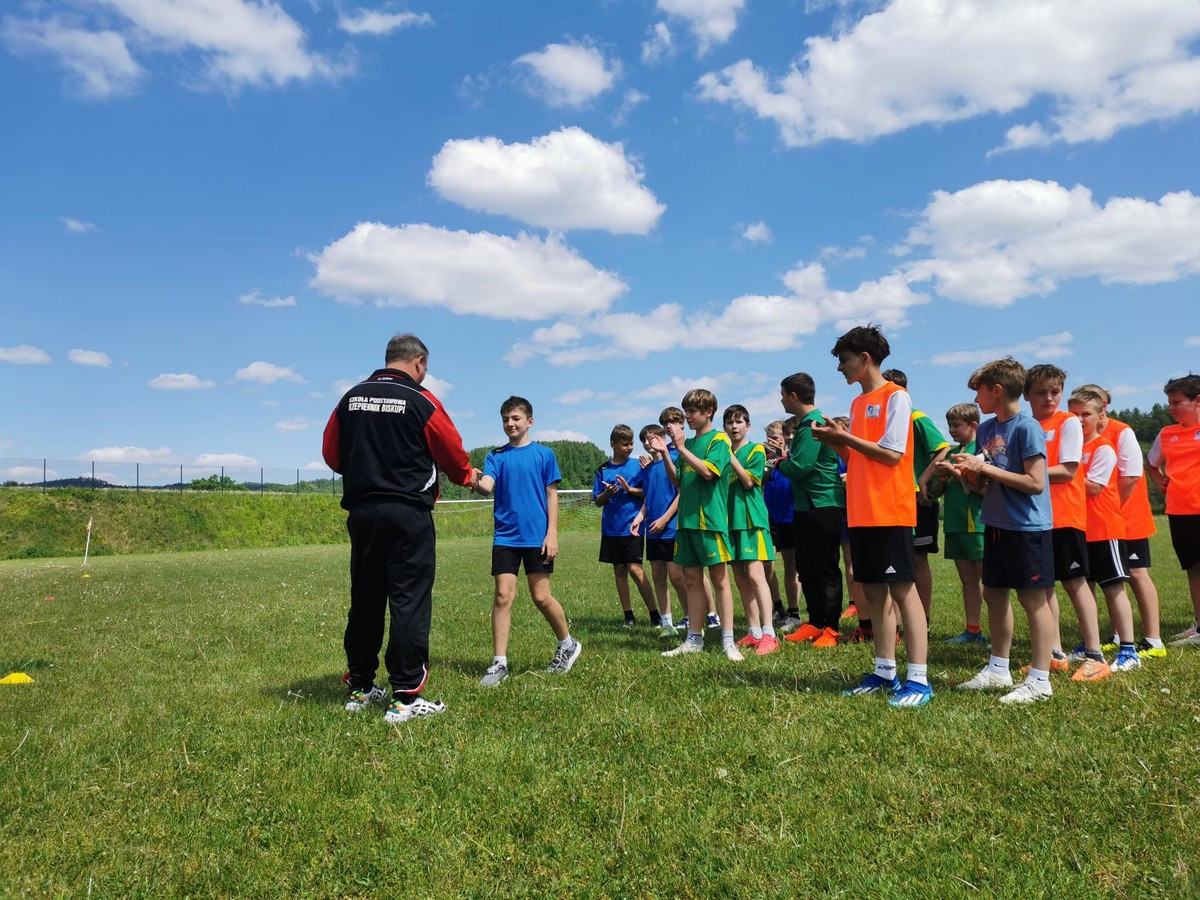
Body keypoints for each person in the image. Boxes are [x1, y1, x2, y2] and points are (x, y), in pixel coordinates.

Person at [322, 333, 475, 724]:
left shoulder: (350, 398)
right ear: (419, 362)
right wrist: (468, 476)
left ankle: (360, 687)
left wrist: (367, 468)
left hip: (362, 512)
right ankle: (405, 697)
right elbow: (453, 454)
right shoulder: (422, 400)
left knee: (366, 598)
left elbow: (331, 454)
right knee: (408, 599)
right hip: (407, 513)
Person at [812, 326, 931, 707]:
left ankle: (919, 679)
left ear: (865, 359)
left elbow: (893, 455)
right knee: (874, 593)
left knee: (903, 592)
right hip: (862, 510)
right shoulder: (858, 404)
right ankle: (884, 671)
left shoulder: (897, 396)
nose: (840, 368)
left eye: (844, 360)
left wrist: (846, 439)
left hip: (890, 510)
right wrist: (838, 444)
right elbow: (859, 458)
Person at [951, 357, 1057, 704]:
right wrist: (967, 475)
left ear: (997, 391)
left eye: (979, 392)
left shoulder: (1027, 428)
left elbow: (1036, 482)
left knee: (1033, 600)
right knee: (994, 594)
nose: (976, 399)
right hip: (996, 524)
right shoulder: (986, 429)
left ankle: (1040, 680)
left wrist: (984, 468)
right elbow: (986, 486)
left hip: (1027, 527)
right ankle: (998, 669)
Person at [471, 396, 582, 687]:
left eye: (516, 418)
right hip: (505, 537)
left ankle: (568, 644)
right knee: (502, 595)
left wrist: (552, 533)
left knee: (541, 597)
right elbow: (486, 486)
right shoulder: (496, 456)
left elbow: (552, 495)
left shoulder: (544, 454)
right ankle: (499, 663)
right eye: (505, 419)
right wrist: (472, 479)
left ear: (530, 421)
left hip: (537, 537)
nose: (510, 423)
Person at [1024, 365, 1103, 680]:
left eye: (1055, 392)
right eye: (1041, 392)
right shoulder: (1028, 425)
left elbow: (1068, 470)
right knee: (1044, 587)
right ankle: (1054, 653)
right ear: (1027, 394)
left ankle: (1095, 654)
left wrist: (1018, 475)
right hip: (1036, 518)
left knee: (1075, 583)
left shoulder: (1068, 421)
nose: (1049, 398)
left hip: (1065, 515)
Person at [656, 389, 742, 660]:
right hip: (687, 522)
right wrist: (667, 453)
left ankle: (728, 640)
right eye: (686, 412)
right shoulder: (689, 444)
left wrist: (681, 448)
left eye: (692, 412)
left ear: (708, 412)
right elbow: (678, 482)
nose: (687, 417)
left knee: (719, 580)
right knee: (692, 579)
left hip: (710, 522)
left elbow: (707, 472)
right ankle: (694, 638)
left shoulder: (719, 440)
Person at [1081, 383, 1165, 659]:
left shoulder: (1122, 431)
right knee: (1108, 577)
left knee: (1137, 573)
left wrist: (1113, 507)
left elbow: (1130, 476)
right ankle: (1116, 635)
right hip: (1099, 519)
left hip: (1128, 515)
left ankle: (1153, 639)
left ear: (1103, 406)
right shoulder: (1082, 436)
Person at [1068, 387, 1140, 673]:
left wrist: (1062, 471)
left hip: (1104, 528)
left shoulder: (1103, 448)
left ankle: (1128, 649)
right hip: (1079, 527)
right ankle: (1091, 645)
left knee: (1113, 588)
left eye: (1085, 414)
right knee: (1084, 589)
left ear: (1100, 416)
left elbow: (1093, 488)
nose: (1079, 419)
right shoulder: (1071, 450)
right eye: (1073, 414)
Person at [776, 372, 845, 649]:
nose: (781, 400)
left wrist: (778, 463)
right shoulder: (807, 424)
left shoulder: (812, 425)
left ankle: (832, 628)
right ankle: (815, 623)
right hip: (806, 506)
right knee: (806, 567)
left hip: (823, 504)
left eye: (783, 395)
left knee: (825, 567)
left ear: (793, 396)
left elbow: (801, 468)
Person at [883, 370, 950, 623]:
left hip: (917, 499)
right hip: (894, 498)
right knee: (896, 559)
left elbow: (942, 448)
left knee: (918, 558)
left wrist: (923, 479)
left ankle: (924, 619)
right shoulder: (884, 421)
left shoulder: (916, 417)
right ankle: (899, 620)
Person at [1147, 374, 1200, 648]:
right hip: (1180, 511)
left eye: (1177, 402)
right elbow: (1151, 463)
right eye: (1169, 402)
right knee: (1193, 568)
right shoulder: (1167, 434)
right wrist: (1159, 482)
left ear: (1197, 400)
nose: (1171, 408)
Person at [723, 404, 779, 655]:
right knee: (740, 577)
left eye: (739, 422)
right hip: (730, 522)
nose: (734, 426)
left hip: (751, 519)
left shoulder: (756, 450)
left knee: (756, 575)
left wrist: (729, 456)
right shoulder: (722, 455)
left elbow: (747, 482)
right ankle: (754, 630)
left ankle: (769, 633)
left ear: (748, 426)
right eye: (729, 422)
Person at [929, 403, 986, 645]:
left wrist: (954, 472)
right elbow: (935, 491)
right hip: (954, 523)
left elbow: (983, 488)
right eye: (950, 425)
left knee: (989, 582)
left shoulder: (980, 451)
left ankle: (1000, 634)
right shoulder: (954, 452)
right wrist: (942, 477)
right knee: (967, 579)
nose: (951, 430)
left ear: (973, 425)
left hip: (976, 522)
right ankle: (973, 630)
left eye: (956, 425)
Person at [659, 406, 720, 631]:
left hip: (701, 518)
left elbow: (702, 477)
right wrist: (664, 453)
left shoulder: (698, 444)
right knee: (686, 574)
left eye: (674, 421)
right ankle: (693, 623)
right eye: (666, 423)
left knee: (711, 574)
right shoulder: (671, 449)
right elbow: (677, 482)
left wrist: (666, 517)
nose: (670, 426)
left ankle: (713, 616)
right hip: (682, 522)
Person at [593, 424, 658, 628]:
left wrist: (629, 489)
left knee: (635, 569)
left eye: (631, 443)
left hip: (632, 526)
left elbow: (648, 493)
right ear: (613, 444)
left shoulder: (640, 465)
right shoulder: (603, 470)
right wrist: (607, 493)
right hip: (611, 529)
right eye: (625, 444)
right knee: (619, 570)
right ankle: (628, 615)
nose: (629, 447)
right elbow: (598, 501)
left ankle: (655, 614)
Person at [631, 423, 685, 637]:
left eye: (651, 438)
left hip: (671, 528)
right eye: (644, 439)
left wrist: (664, 519)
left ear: (662, 438)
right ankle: (666, 623)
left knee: (677, 576)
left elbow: (681, 493)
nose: (647, 442)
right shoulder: (647, 470)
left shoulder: (673, 463)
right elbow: (648, 498)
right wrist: (639, 518)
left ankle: (691, 617)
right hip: (652, 531)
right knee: (658, 576)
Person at [762, 419, 800, 629]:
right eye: (770, 438)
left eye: (776, 437)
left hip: (790, 516)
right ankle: (777, 606)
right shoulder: (769, 459)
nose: (773, 441)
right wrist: (772, 459)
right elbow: (762, 479)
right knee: (767, 563)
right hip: (771, 516)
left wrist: (784, 456)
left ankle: (794, 611)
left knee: (791, 564)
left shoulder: (795, 455)